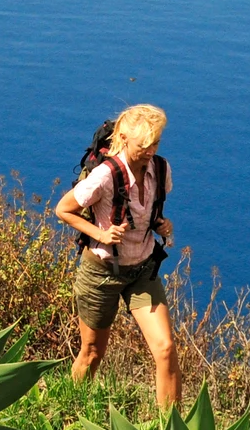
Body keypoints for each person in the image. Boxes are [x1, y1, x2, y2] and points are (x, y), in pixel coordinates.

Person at [54, 103, 180, 407]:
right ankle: (72, 413)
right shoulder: (104, 176)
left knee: (165, 349)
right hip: (101, 273)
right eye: (143, 145)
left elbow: (151, 212)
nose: (150, 151)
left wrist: (162, 225)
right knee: (93, 354)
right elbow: (63, 209)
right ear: (123, 139)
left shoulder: (161, 169)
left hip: (142, 270)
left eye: (156, 143)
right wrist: (100, 234)